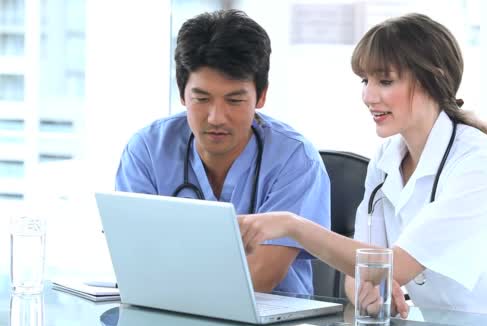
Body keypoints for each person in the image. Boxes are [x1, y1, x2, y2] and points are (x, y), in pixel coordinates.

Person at [239, 13, 487, 322]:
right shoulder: (386, 159)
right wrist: (367, 292)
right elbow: (360, 272)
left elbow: (394, 264)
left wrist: (292, 226)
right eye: (365, 81)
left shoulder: (480, 163)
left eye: (384, 81)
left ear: (431, 80)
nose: (368, 96)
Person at [115, 9, 330, 296]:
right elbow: (135, 261)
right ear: (182, 94)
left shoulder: (295, 159)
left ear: (261, 96)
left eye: (235, 100)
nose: (216, 117)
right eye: (201, 98)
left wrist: (168, 279)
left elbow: (260, 277)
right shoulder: (147, 150)